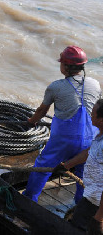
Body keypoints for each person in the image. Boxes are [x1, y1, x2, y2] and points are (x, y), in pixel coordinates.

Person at [22, 46, 101, 204]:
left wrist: (31, 121)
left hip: (63, 141)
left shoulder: (55, 87)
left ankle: (29, 199)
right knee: (83, 173)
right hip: (89, 140)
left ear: (65, 67)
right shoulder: (95, 84)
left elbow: (42, 111)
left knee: (43, 166)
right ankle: (79, 206)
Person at [53, 99, 103, 234]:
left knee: (78, 227)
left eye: (93, 114)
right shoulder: (99, 135)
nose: (90, 116)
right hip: (91, 195)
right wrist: (67, 165)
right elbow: (89, 152)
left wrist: (99, 217)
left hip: (96, 202)